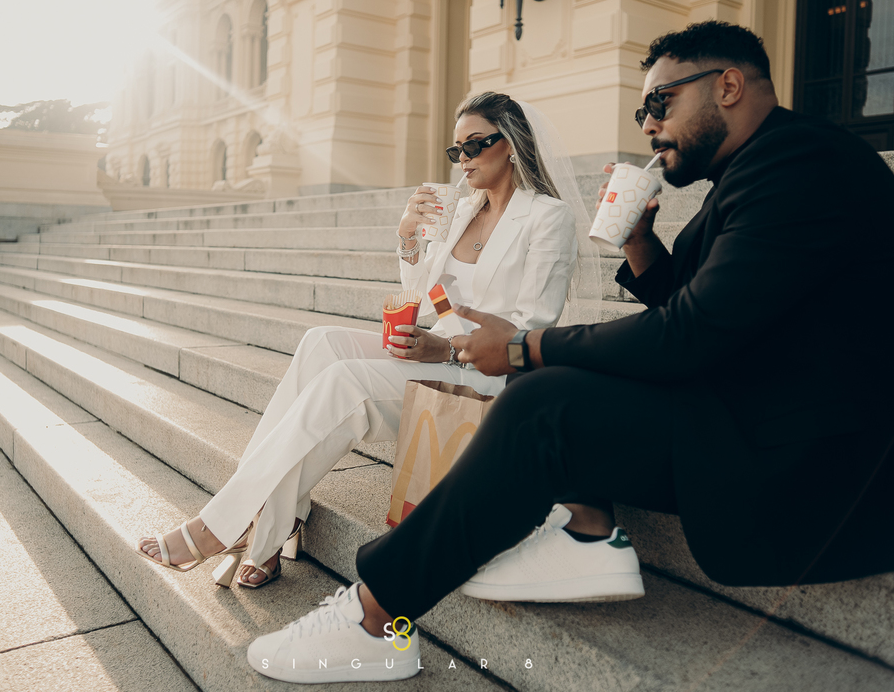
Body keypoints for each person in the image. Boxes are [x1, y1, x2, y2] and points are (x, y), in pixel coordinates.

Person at [246, 21, 894, 683]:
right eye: (643, 111)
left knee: (543, 397)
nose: (648, 125)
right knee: (552, 382)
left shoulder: (803, 165)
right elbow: (703, 310)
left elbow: (688, 334)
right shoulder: (753, 173)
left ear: (728, 85)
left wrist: (524, 346)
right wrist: (638, 241)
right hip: (749, 406)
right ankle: (585, 530)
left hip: (817, 458)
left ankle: (374, 619)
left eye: (660, 103)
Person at [135, 92, 589, 590]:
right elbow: (424, 293)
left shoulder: (547, 217)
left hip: (487, 379)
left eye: (475, 145)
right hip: (437, 351)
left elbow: (528, 334)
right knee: (321, 342)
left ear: (512, 144)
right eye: (456, 149)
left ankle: (222, 526)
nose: (464, 158)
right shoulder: (461, 211)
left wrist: (446, 350)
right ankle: (270, 522)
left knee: (345, 380)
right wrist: (409, 236)